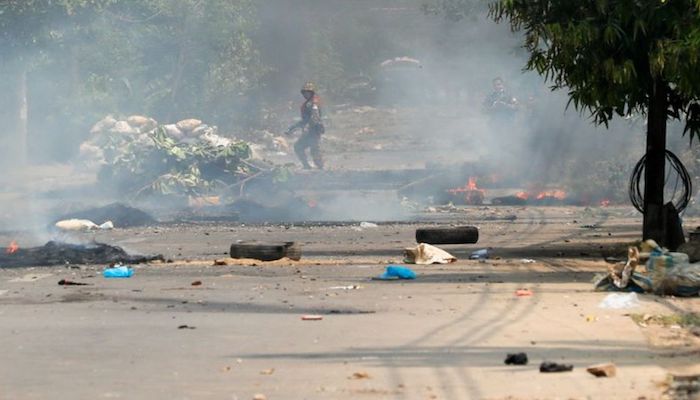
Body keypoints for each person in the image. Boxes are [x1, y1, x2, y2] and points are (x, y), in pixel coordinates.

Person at [286, 82, 325, 169]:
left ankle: (320, 168)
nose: (306, 94)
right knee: (299, 147)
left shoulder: (312, 103)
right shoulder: (309, 103)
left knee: (313, 148)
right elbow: (305, 120)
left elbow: (314, 116)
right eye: (305, 93)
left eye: (308, 92)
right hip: (310, 129)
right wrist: (293, 128)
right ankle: (308, 166)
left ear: (312, 93)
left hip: (313, 130)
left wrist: (309, 126)